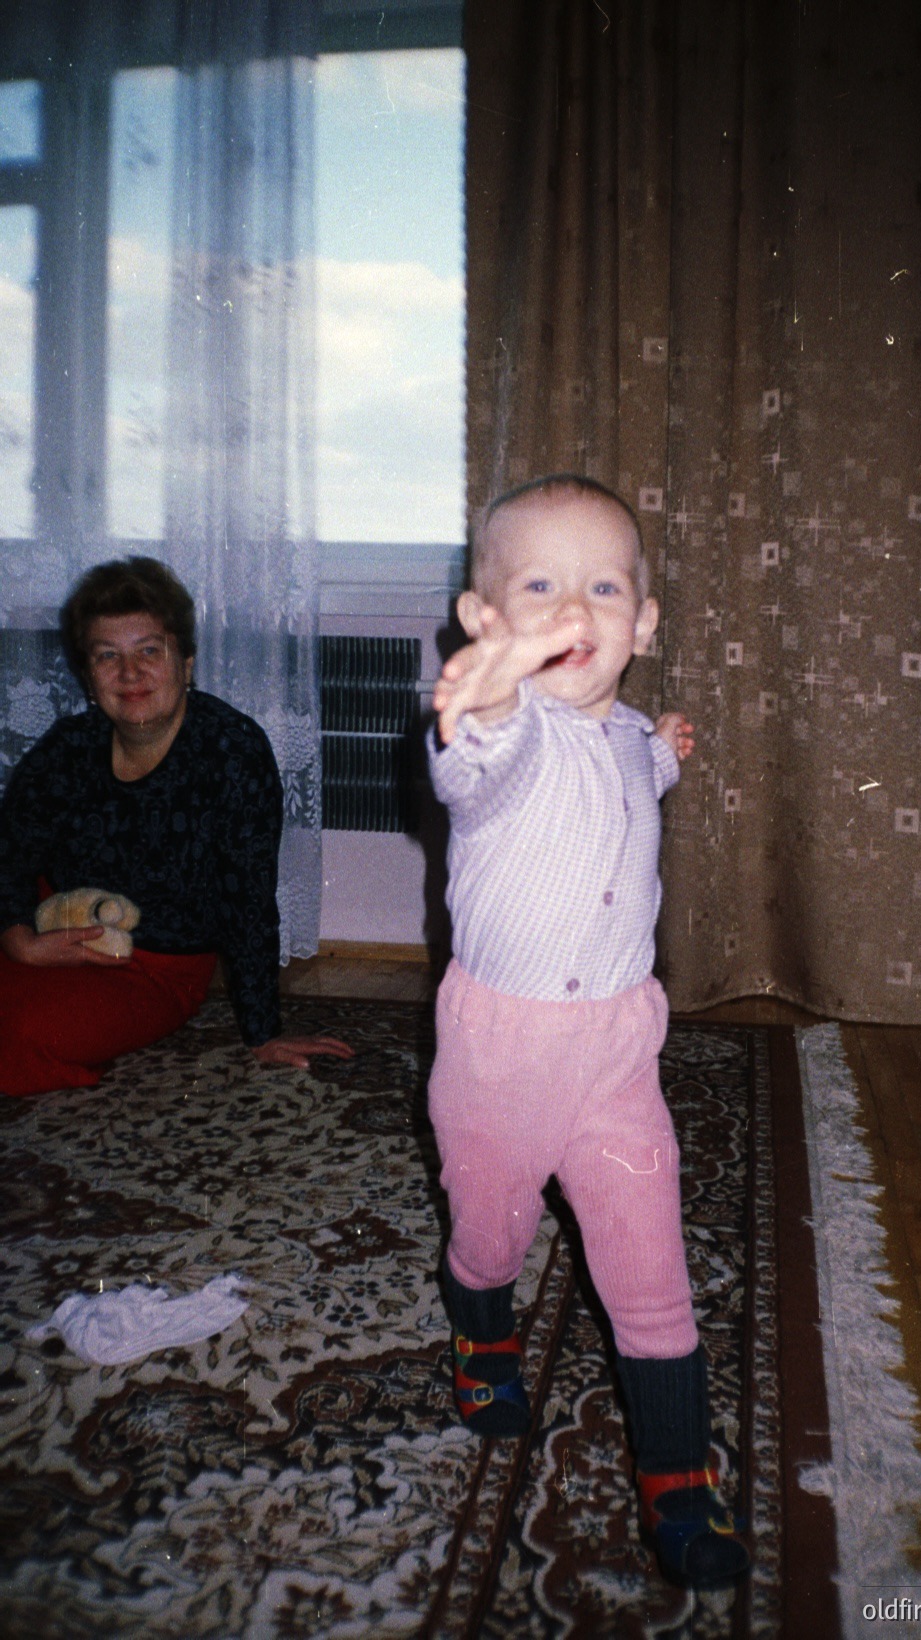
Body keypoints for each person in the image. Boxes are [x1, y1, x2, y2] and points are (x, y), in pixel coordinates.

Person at [426, 473, 749, 1589]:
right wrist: (488, 691)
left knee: (651, 1272)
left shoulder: (617, 733)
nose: (573, 611)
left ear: (643, 623)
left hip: (616, 1050)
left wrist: (663, 747)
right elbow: (480, 752)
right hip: (497, 1052)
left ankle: (675, 1479)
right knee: (490, 1231)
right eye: (540, 587)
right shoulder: (493, 733)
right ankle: (481, 1325)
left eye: (603, 586)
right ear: (483, 622)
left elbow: (628, 771)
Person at [0, 556, 351, 1096]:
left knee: (18, 1034)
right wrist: (20, 940)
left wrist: (263, 1033)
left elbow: (247, 902)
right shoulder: (68, 748)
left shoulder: (233, 753)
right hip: (53, 920)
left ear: (186, 662)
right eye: (108, 656)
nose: (130, 673)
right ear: (88, 676)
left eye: (149, 651)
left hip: (151, 965)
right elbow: (11, 851)